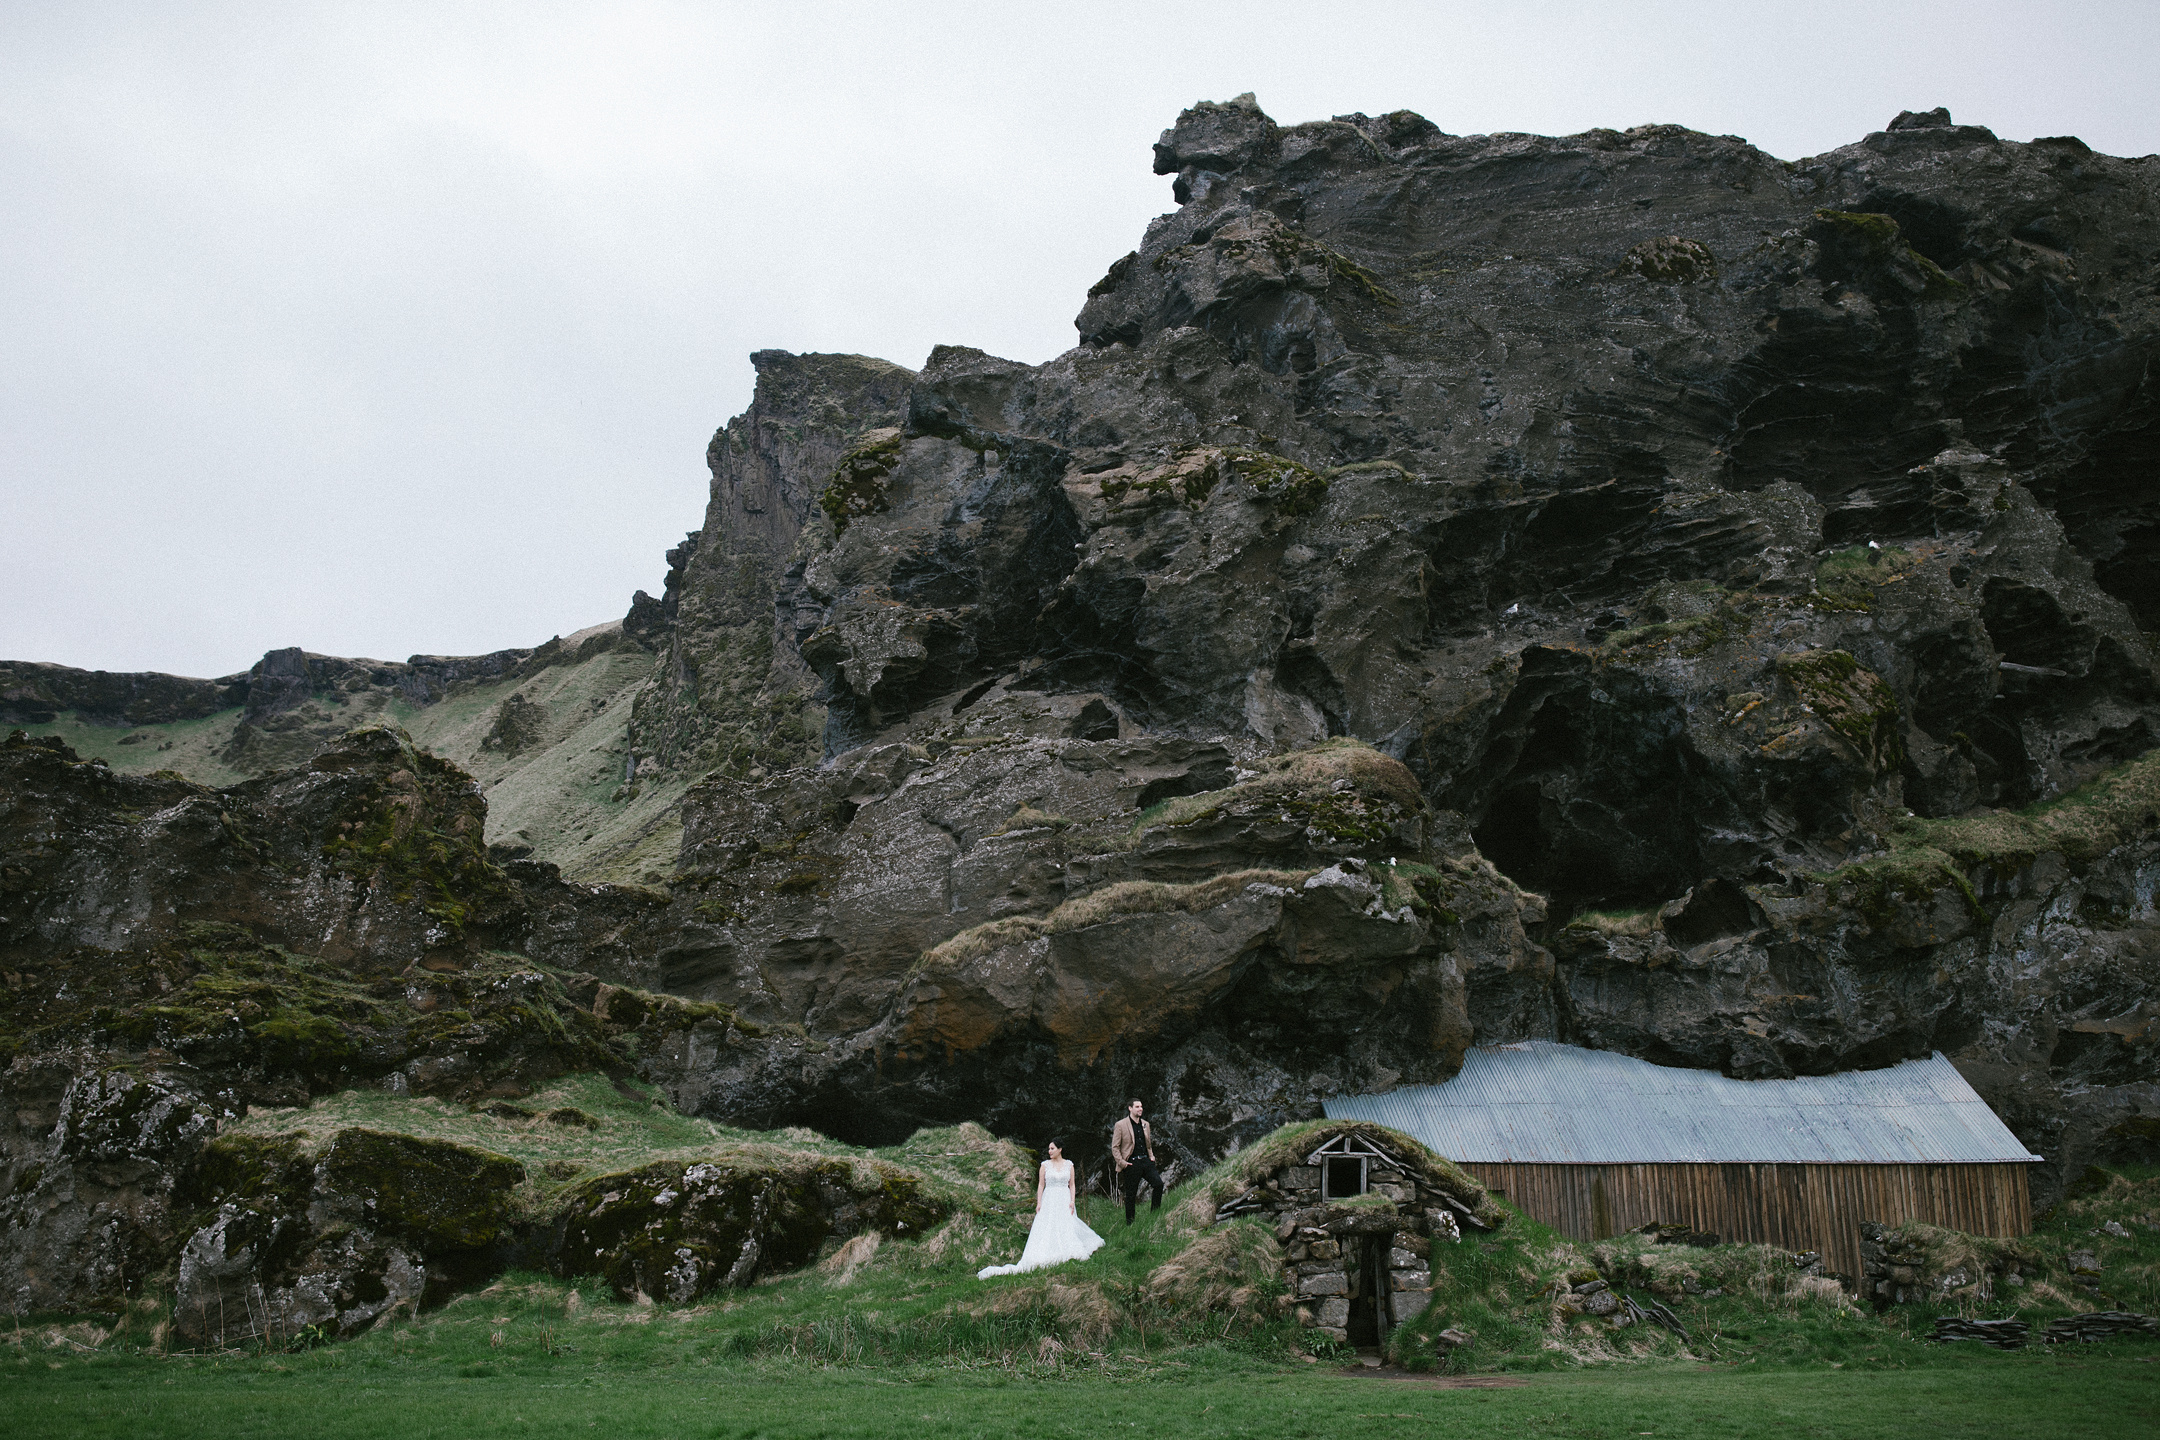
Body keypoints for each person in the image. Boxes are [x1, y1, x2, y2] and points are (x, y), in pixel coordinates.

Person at [976, 1139, 1104, 1279]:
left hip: (1064, 1197)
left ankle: (1066, 1247)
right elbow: (1041, 1185)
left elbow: (1072, 1184)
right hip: (1049, 1198)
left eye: (1052, 1148)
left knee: (1066, 1223)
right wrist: (1039, 1202)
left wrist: (1072, 1201)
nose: (1050, 1151)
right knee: (1048, 1224)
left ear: (1060, 1149)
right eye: (1049, 1149)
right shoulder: (1045, 1165)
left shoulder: (1069, 1165)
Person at [1111, 1098, 1164, 1224]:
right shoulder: (1120, 1125)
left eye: (1141, 1106)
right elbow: (1115, 1147)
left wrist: (1151, 1156)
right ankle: (1130, 1224)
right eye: (1137, 1107)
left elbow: (1148, 1144)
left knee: (1158, 1184)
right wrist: (1123, 1163)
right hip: (1131, 1163)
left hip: (1146, 1161)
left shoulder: (1145, 1124)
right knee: (1131, 1195)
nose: (1140, 1109)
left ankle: (1154, 1216)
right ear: (1130, 1108)